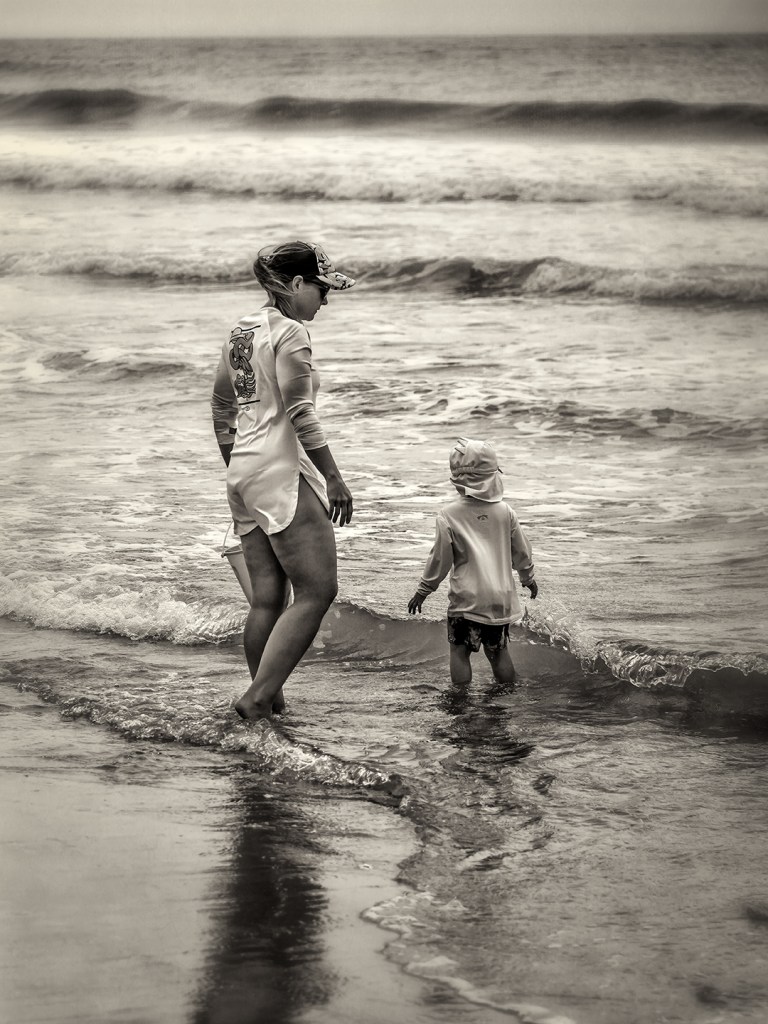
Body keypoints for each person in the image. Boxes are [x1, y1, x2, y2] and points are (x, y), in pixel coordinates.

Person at [211, 240, 355, 720]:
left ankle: (268, 701)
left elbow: (221, 406)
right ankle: (257, 698)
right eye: (321, 289)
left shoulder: (241, 329)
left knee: (268, 600)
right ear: (295, 284)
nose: (325, 300)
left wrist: (239, 464)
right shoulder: (291, 332)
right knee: (318, 591)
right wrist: (333, 478)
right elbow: (300, 412)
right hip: (280, 472)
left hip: (244, 472)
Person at [407, 438, 537, 686]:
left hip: (467, 600)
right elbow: (521, 551)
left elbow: (439, 559)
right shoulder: (505, 512)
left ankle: (461, 697)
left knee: (460, 652)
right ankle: (507, 693)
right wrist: (527, 578)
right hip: (500, 599)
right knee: (498, 653)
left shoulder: (449, 515)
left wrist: (423, 591)